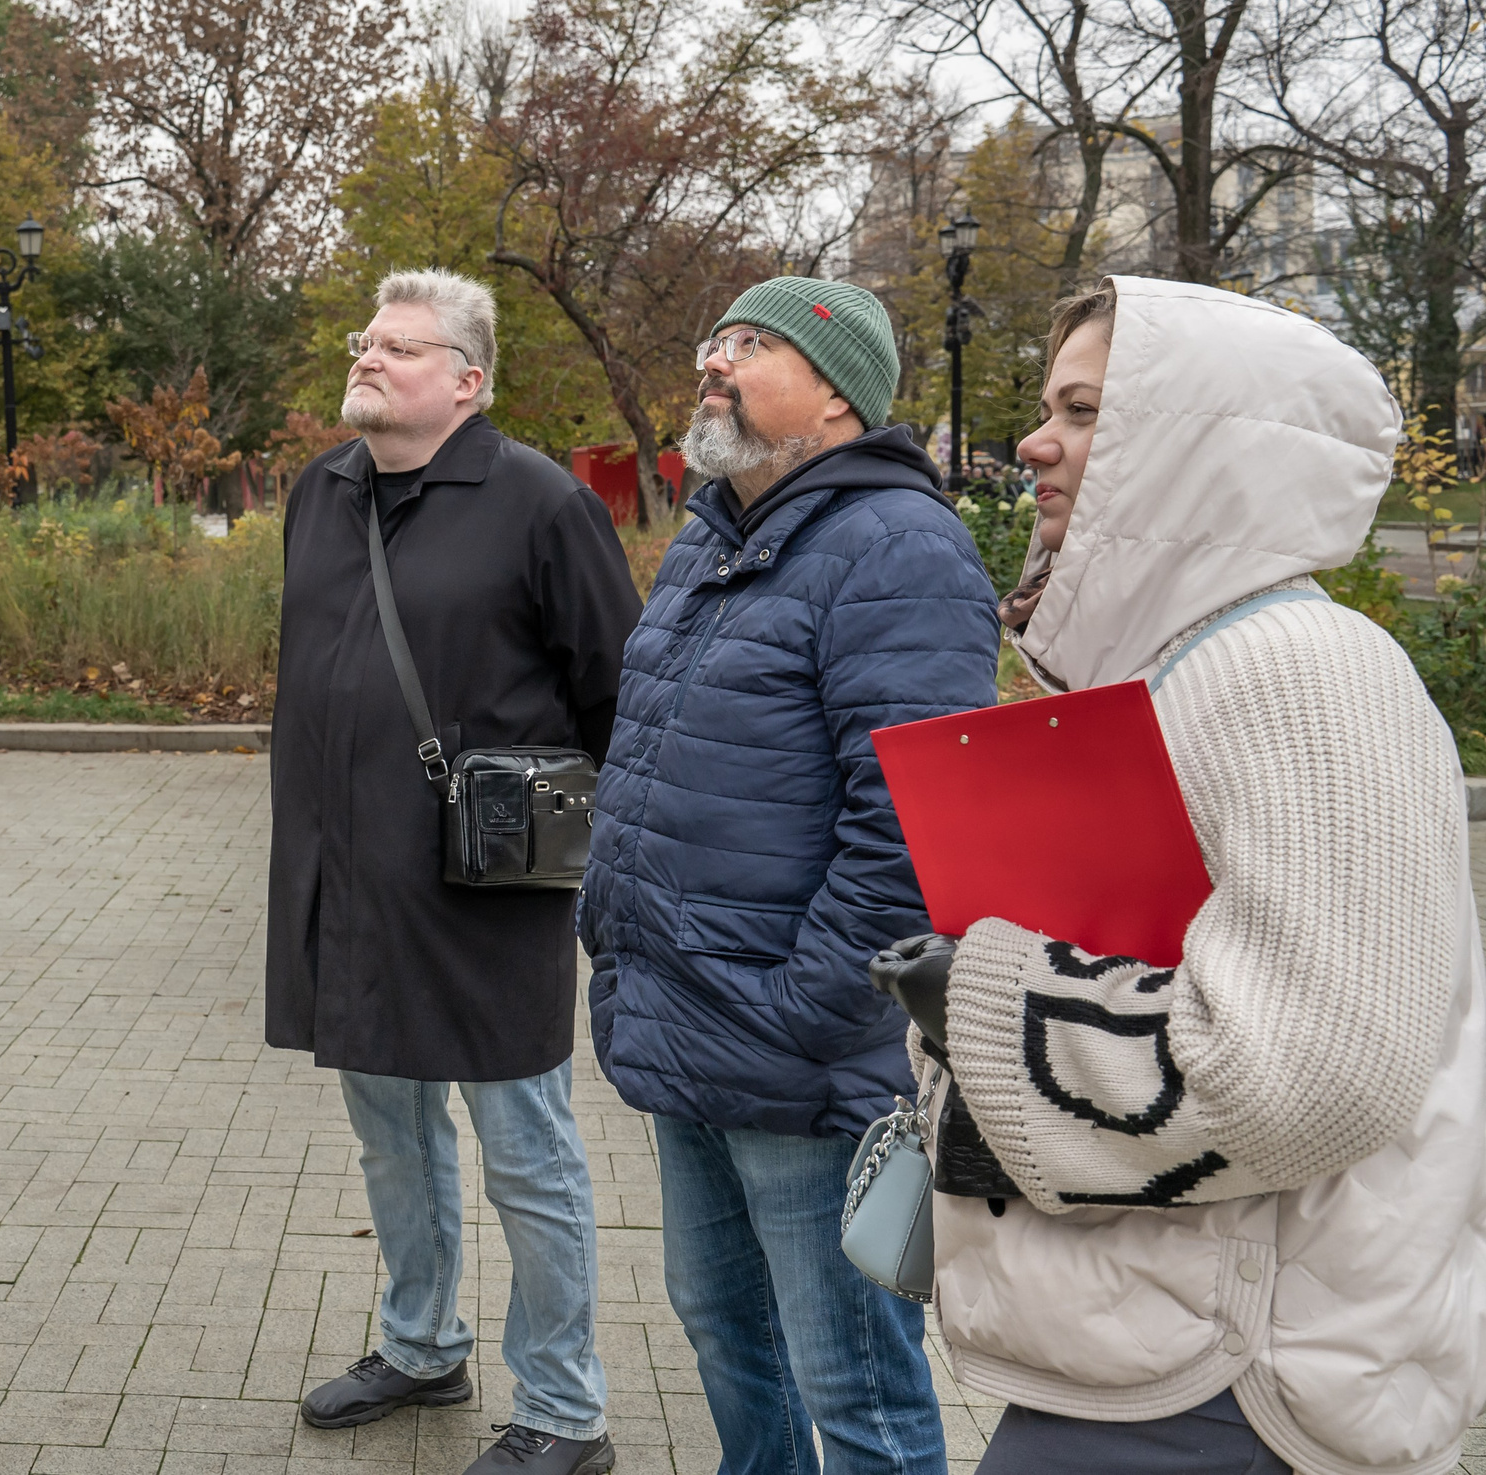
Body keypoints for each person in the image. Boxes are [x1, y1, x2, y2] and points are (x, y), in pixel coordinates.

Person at [870, 277, 1486, 1473]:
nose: (1035, 441)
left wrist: (988, 996)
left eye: (1085, 411)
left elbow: (1311, 1078)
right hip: (1171, 1342)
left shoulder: (1301, 670)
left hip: (1238, 1377)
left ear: (1197, 444)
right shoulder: (1188, 667)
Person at [578, 277, 1000, 1475]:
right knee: (725, 1337)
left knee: (852, 1382)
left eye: (751, 347)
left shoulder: (898, 547)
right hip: (683, 1019)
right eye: (714, 340)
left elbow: (913, 823)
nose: (714, 362)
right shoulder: (717, 534)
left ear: (835, 398)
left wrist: (808, 1009)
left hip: (800, 1052)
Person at [267, 268, 641, 1475]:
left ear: (468, 381)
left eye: (401, 348)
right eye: (364, 340)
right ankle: (422, 1344)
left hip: (490, 882)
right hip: (345, 875)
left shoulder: (540, 503)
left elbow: (616, 696)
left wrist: (568, 839)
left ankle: (563, 1409)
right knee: (391, 1134)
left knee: (523, 1148)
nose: (369, 358)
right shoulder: (319, 493)